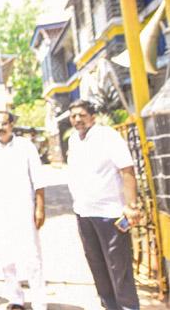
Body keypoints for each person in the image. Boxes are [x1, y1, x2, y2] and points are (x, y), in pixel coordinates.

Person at [66, 99, 140, 310]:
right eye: (73, 116)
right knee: (98, 269)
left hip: (111, 214)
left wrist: (131, 205)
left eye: (81, 115)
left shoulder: (107, 136)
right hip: (84, 213)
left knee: (120, 270)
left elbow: (127, 170)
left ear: (92, 116)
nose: (77, 119)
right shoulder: (73, 140)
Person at [0, 111, 47, 310]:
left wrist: (40, 208)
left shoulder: (26, 147)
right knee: (6, 258)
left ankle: (40, 302)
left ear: (12, 124)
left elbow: (38, 181)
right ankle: (16, 299)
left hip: (24, 209)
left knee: (32, 257)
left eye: (4, 124)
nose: (0, 128)